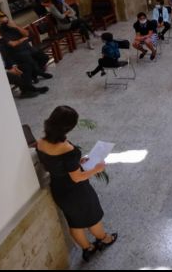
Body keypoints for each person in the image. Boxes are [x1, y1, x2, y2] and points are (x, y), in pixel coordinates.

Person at [36, 106, 118, 262]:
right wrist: (96, 169)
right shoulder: (66, 148)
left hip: (59, 189)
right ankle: (104, 239)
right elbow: (77, 178)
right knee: (92, 217)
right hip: (77, 192)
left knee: (74, 222)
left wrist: (76, 162)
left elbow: (55, 164)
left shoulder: (40, 143)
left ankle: (88, 248)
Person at [0, 27, 48, 98]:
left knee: (26, 66)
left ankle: (28, 89)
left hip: (10, 65)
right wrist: (8, 70)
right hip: (2, 71)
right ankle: (32, 89)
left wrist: (13, 66)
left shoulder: (2, 45)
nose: (0, 36)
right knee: (15, 77)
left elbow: (7, 57)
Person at [0, 14, 51, 78]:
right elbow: (12, 44)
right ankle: (40, 73)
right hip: (16, 52)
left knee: (44, 57)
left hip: (27, 48)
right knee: (29, 59)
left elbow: (27, 34)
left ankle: (35, 73)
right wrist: (22, 39)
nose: (5, 23)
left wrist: (16, 26)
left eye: (7, 21)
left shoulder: (13, 26)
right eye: (3, 22)